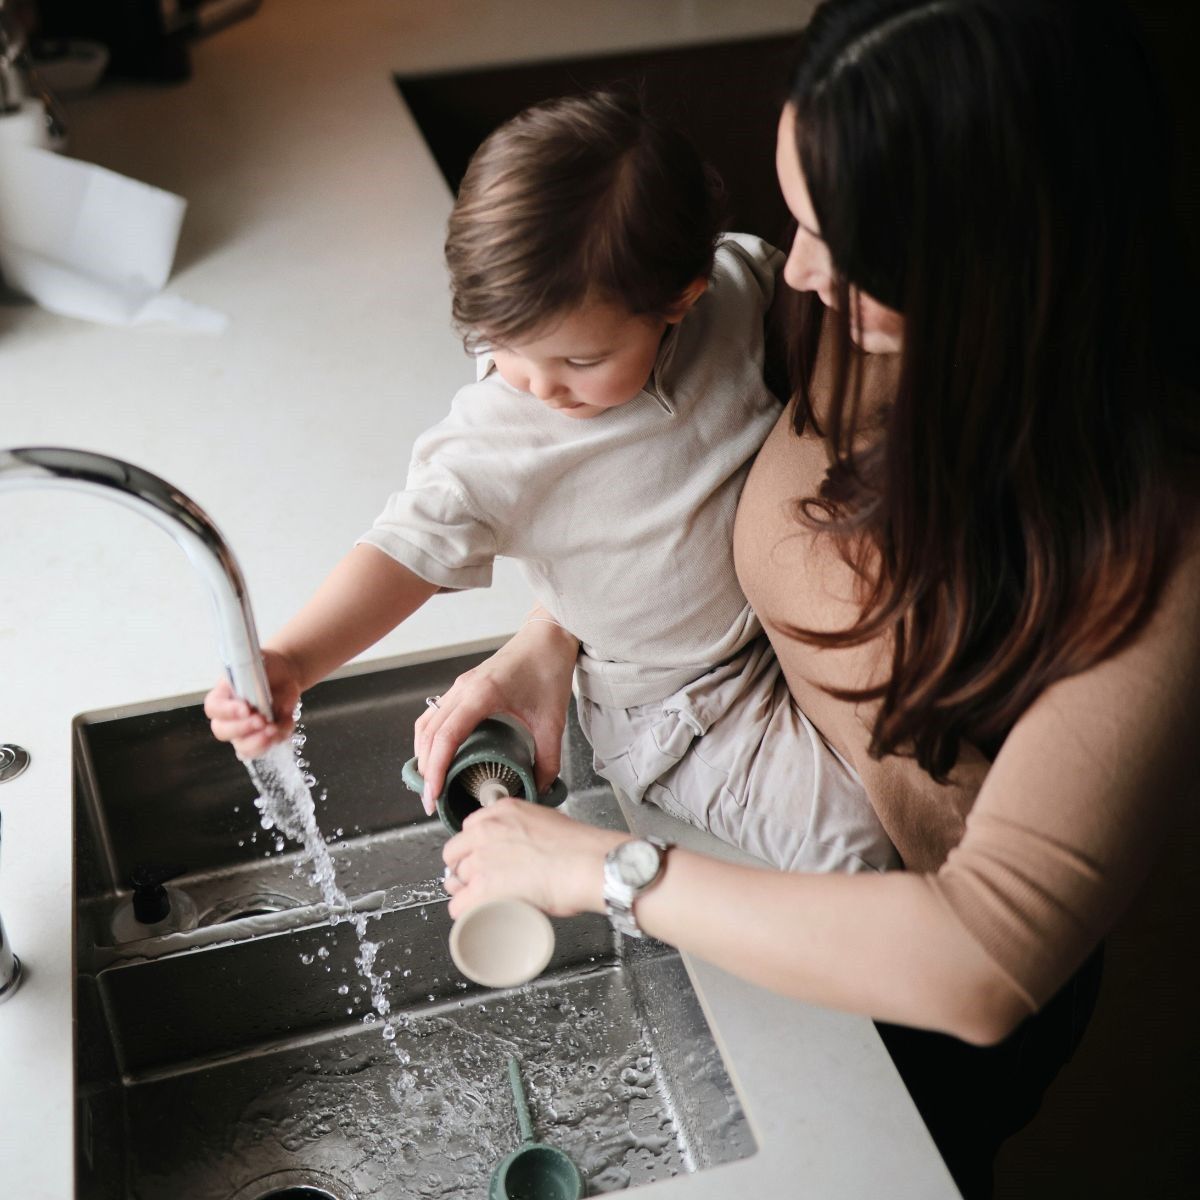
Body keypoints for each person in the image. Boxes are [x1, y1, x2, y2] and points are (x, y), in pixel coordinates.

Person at [420, 1, 1199, 1195]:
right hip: (767, 846)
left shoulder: (1159, 556)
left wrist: (605, 874)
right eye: (796, 216)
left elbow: (986, 958)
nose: (796, 267)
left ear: (1002, 262)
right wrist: (555, 633)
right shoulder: (842, 318)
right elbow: (687, 475)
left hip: (921, 991)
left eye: (846, 243)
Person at [205, 89, 898, 877]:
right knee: (859, 845)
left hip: (778, 636)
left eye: (580, 361)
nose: (537, 383)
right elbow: (404, 546)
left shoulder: (740, 287)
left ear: (682, 298)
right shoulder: (501, 437)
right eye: (503, 344)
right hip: (680, 710)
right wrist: (294, 659)